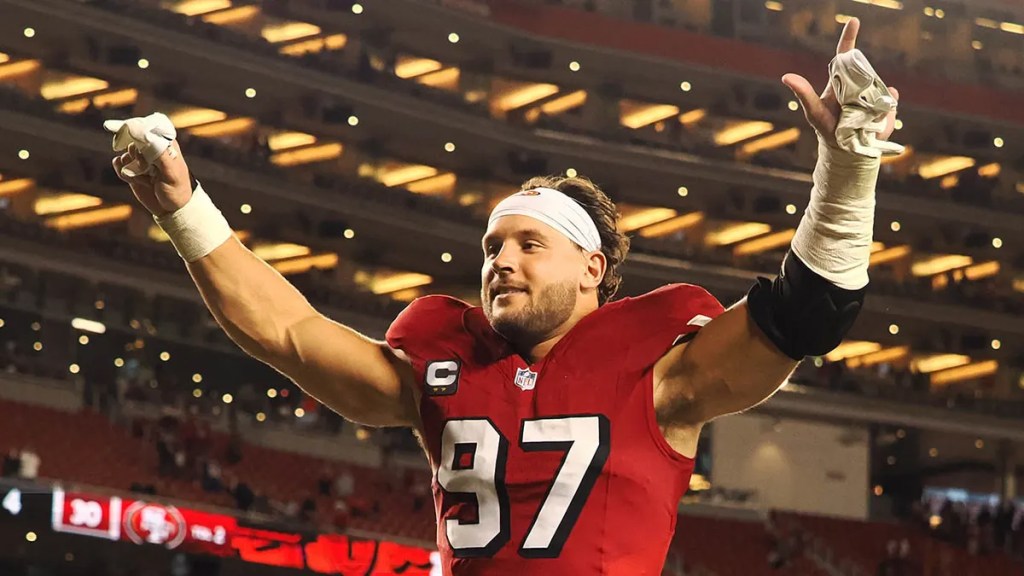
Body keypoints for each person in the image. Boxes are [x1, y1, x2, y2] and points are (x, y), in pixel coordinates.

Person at [110, 19, 898, 576]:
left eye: (529, 244)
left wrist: (848, 172)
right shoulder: (443, 361)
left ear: (592, 268)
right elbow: (285, 331)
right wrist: (183, 208)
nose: (501, 262)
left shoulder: (659, 372)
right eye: (491, 247)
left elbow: (804, 318)